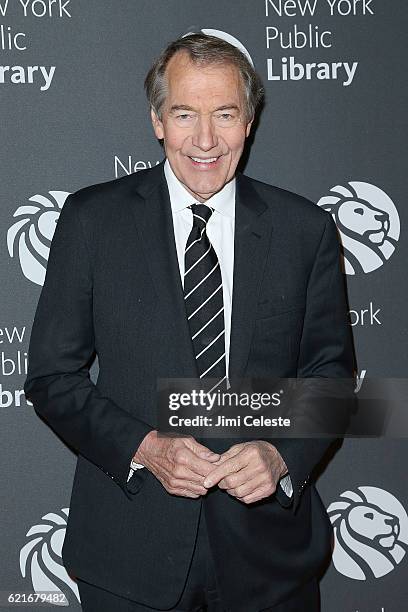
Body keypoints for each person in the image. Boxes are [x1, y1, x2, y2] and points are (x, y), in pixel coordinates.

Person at [24, 33, 354, 612]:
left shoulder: (305, 230)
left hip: (269, 557)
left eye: (225, 114)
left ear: (248, 121)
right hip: (127, 553)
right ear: (157, 120)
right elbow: (53, 377)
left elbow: (331, 377)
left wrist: (281, 455)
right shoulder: (91, 221)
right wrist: (144, 446)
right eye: (185, 115)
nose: (206, 140)